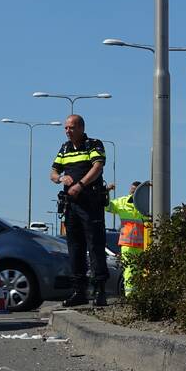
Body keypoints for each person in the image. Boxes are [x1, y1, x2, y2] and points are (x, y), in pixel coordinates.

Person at [50, 115, 110, 307]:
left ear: (82, 128)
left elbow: (98, 167)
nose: (68, 131)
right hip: (71, 205)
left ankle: (99, 290)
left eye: (72, 127)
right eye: (66, 128)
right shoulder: (64, 148)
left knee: (95, 245)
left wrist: (81, 184)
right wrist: (60, 178)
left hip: (90, 202)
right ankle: (79, 291)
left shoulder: (93, 144)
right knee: (74, 247)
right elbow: (52, 173)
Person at [105, 181, 149, 296]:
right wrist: (107, 191)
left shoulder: (146, 203)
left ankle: (138, 295)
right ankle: (130, 295)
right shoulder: (122, 202)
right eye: (132, 190)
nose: (132, 192)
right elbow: (107, 206)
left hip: (142, 243)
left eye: (135, 190)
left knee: (140, 270)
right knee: (129, 269)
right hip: (128, 242)